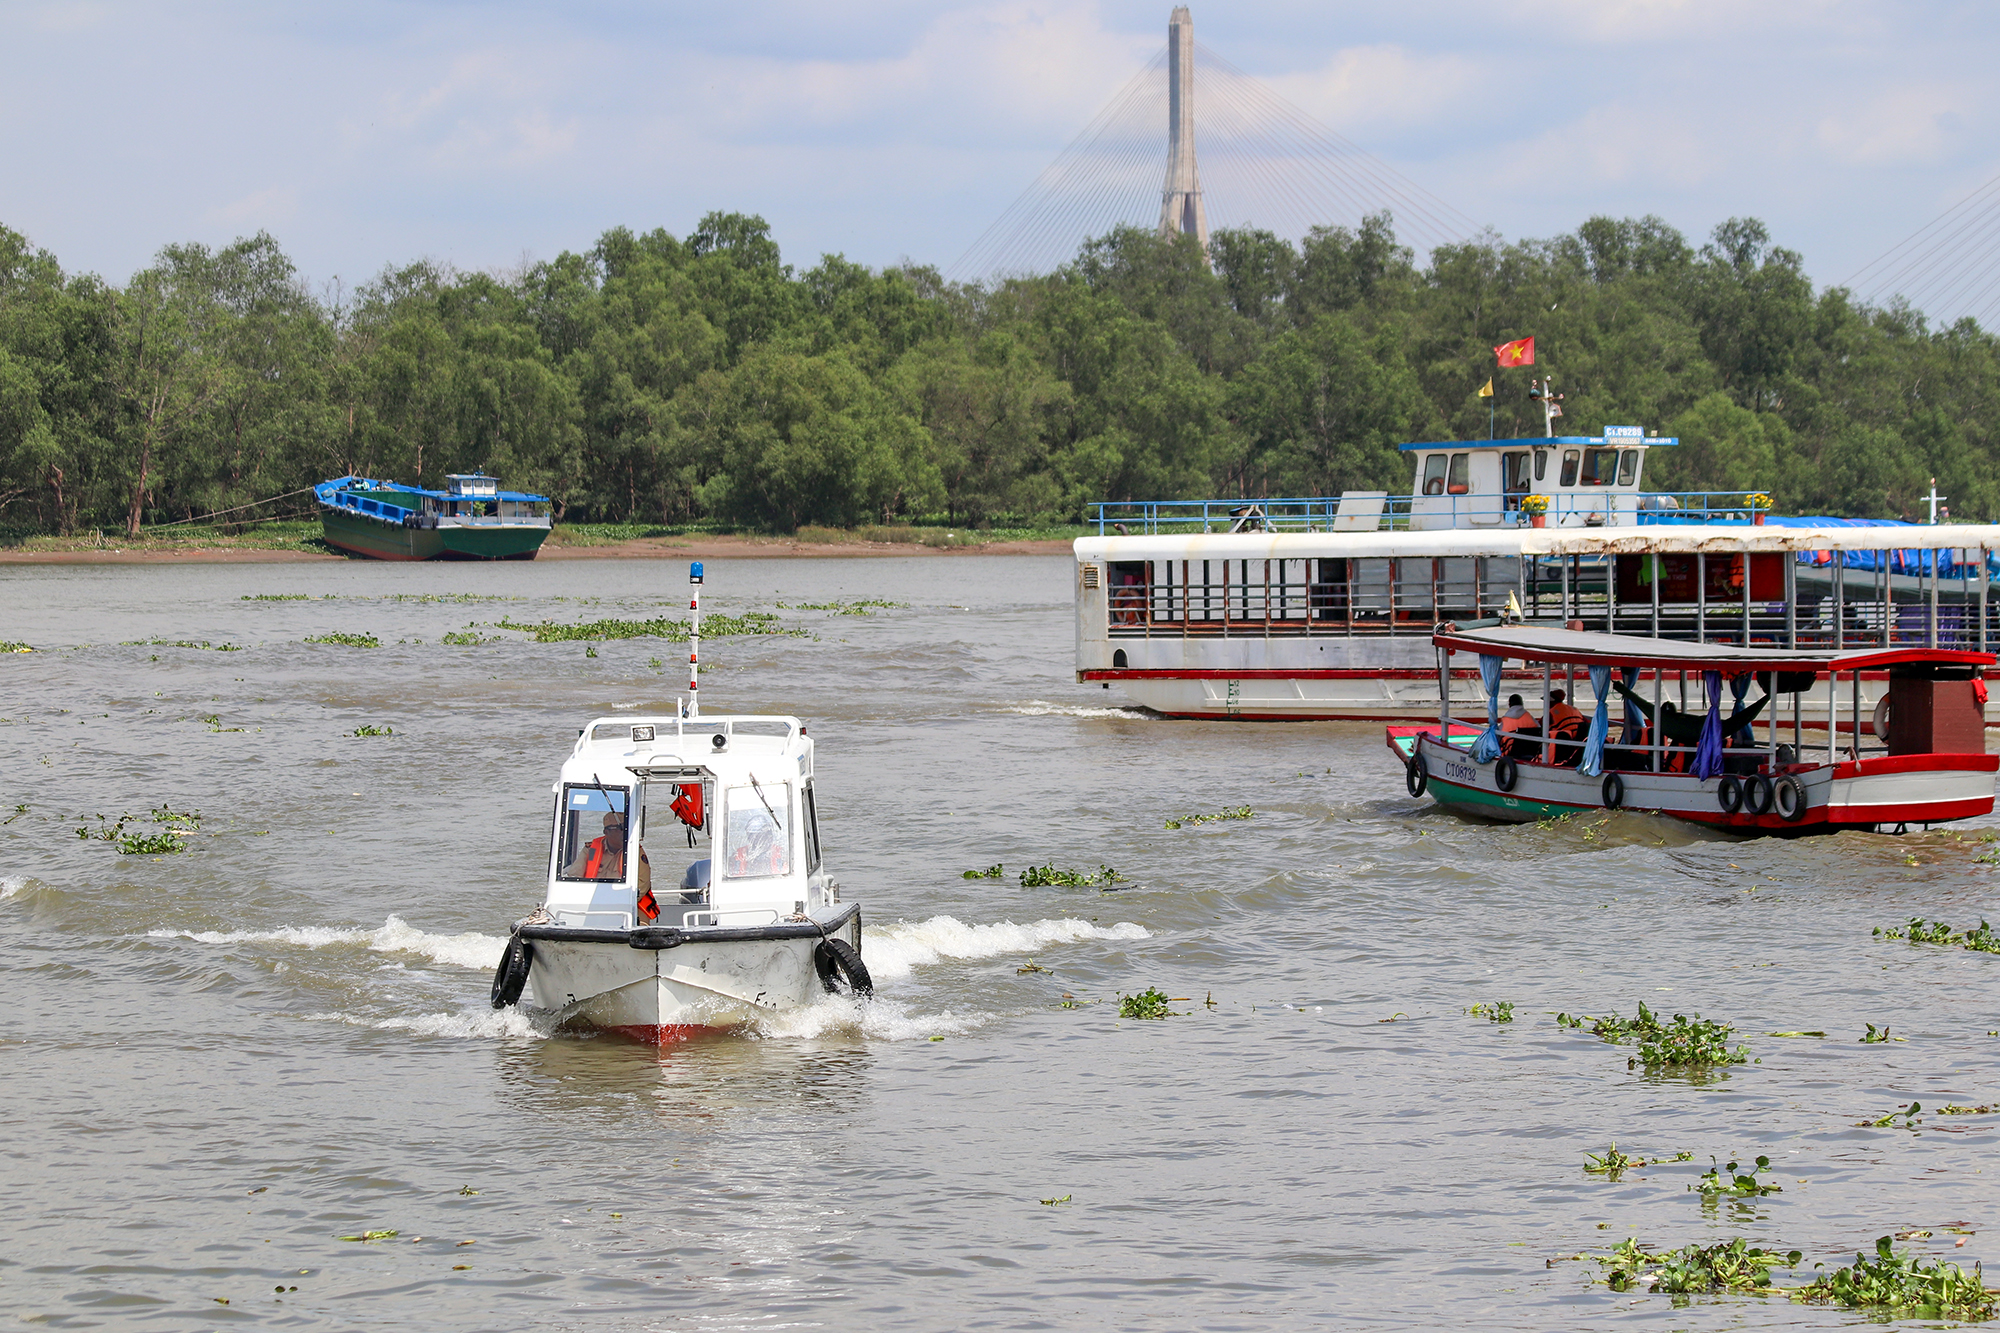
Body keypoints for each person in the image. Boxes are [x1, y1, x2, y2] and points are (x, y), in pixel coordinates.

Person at [1546, 689, 1586, 766]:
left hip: (1563, 744)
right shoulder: (1574, 709)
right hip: (1579, 741)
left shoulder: (1551, 712)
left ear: (1551, 701)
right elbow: (1586, 723)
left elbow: (1541, 726)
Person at [1499, 693, 1539, 759]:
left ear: (1509, 705)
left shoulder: (1505, 720)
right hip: (1531, 750)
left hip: (1510, 751)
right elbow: (1539, 729)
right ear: (1522, 704)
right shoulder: (1529, 717)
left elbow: (1498, 737)